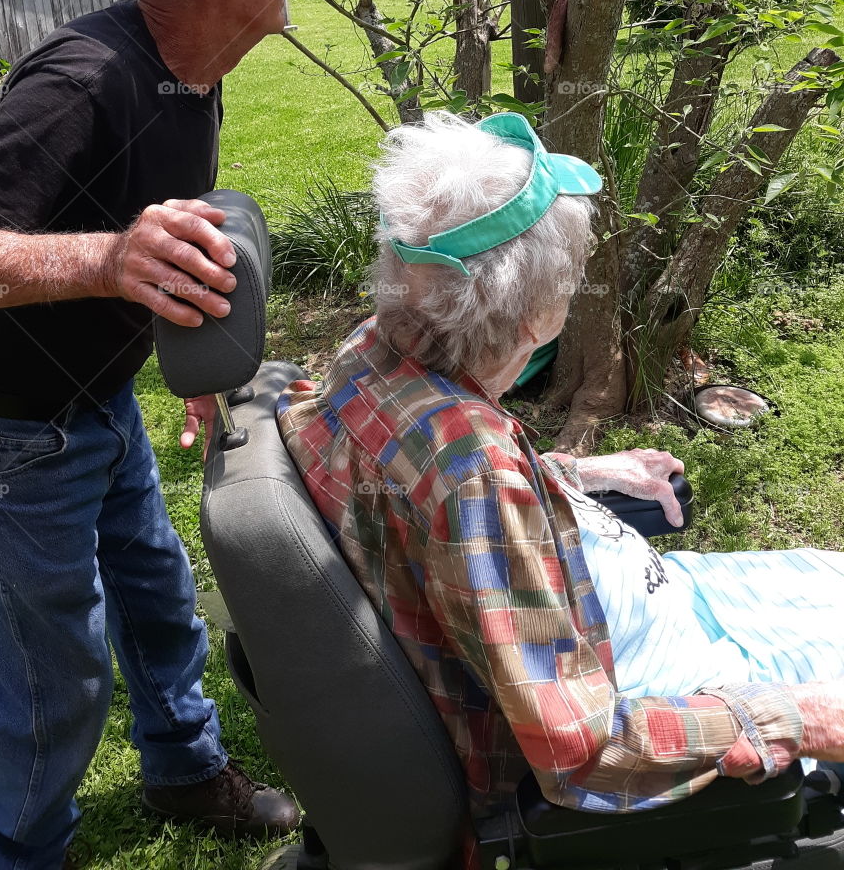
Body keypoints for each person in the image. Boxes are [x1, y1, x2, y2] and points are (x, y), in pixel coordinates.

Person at [0, 0, 320, 870]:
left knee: (163, 602)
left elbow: (149, 232)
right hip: (3, 435)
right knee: (57, 674)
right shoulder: (84, 80)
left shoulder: (195, 66)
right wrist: (102, 261)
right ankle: (23, 851)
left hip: (99, 408)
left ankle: (182, 769)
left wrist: (185, 365)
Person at [278, 110, 844, 836]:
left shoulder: (374, 352)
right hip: (666, 677)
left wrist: (570, 473)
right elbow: (583, 748)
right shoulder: (476, 473)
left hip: (645, 603)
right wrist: (796, 717)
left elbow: (421, 498)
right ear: (532, 316)